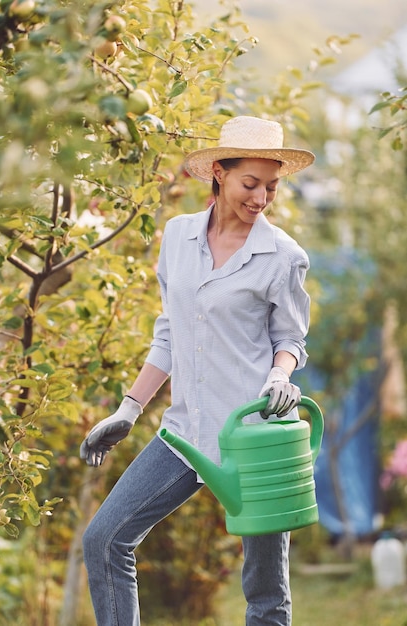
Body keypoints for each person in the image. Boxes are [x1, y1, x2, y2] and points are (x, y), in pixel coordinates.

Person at [80, 115, 315, 626]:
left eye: (270, 187)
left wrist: (280, 375)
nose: (260, 198)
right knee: (104, 541)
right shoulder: (177, 236)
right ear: (219, 174)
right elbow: (171, 332)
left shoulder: (283, 256)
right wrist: (129, 408)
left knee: (266, 594)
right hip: (185, 433)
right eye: (250, 184)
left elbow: (290, 339)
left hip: (254, 438)